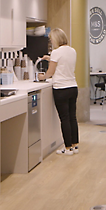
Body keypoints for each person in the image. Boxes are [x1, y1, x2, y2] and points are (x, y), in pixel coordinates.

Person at [38, 28, 79, 156]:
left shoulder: (56, 52)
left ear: (55, 39)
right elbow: (63, 62)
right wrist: (50, 58)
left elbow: (50, 72)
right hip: (73, 87)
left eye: (51, 39)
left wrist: (42, 77)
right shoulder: (72, 50)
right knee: (72, 117)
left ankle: (67, 148)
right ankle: (74, 145)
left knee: (64, 118)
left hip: (61, 88)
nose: (51, 41)